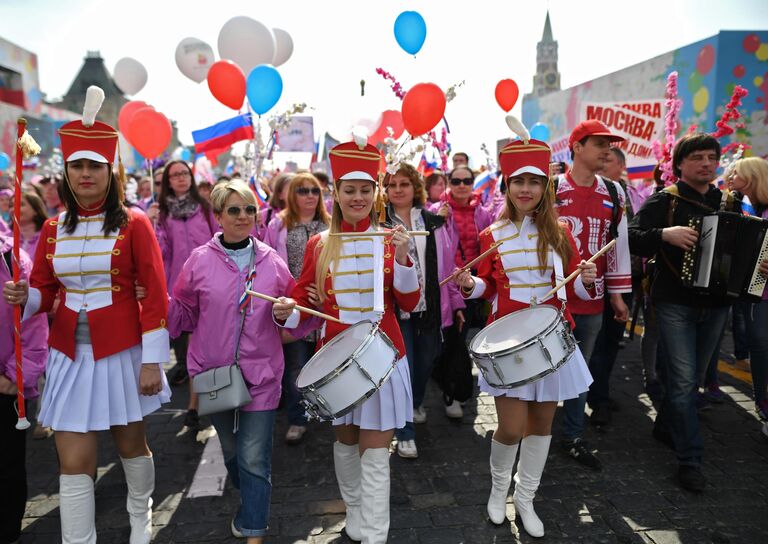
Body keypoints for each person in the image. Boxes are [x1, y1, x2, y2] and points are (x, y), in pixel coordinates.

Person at [2, 93, 171, 543]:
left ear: (109, 172)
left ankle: (142, 516)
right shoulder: (54, 228)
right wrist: (26, 297)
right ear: (67, 174)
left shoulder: (135, 223)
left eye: (94, 166)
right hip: (68, 354)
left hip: (123, 351)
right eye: (77, 167)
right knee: (73, 463)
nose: (85, 174)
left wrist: (153, 360)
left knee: (131, 445)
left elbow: (155, 294)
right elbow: (45, 289)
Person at [272, 140, 420, 543]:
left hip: (384, 356)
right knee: (345, 442)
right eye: (349, 190)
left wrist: (406, 259)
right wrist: (287, 309)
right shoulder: (321, 244)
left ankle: (375, 533)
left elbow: (409, 302)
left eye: (365, 189)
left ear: (376, 193)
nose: (357, 197)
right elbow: (303, 301)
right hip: (335, 360)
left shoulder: (393, 239)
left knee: (374, 454)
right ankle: (354, 512)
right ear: (336, 194)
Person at [453, 137, 597, 537]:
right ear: (507, 185)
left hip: (551, 336)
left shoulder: (561, 232)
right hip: (508, 341)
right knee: (511, 427)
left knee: (541, 425)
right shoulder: (492, 233)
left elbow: (577, 290)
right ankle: (499, 491)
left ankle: (527, 497)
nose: (526, 190)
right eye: (518, 181)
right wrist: (469, 286)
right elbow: (490, 288)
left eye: (534, 182)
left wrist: (586, 279)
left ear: (544, 188)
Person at [169, 180, 307, 543]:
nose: (243, 216)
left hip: (261, 374)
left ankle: (253, 529)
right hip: (213, 375)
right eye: (234, 210)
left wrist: (285, 312)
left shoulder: (272, 262)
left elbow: (294, 314)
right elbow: (182, 309)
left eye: (249, 209)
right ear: (218, 217)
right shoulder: (198, 260)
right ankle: (249, 502)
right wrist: (151, 303)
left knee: (253, 458)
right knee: (232, 453)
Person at [629, 132, 739, 493]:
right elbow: (631, 236)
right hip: (674, 301)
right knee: (681, 380)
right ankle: (690, 459)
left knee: (692, 381)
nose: (706, 164)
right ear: (679, 164)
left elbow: (741, 247)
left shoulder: (729, 202)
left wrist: (758, 266)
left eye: (711, 157)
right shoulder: (665, 200)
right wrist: (665, 234)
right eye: (697, 158)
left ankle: (664, 426)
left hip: (718, 304)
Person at [554, 120, 632, 469]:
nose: (606, 150)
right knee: (543, 370)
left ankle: (571, 435)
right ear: (576, 147)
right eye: (600, 143)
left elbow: (618, 246)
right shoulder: (549, 190)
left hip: (592, 301)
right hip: (550, 303)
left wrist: (617, 294)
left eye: (609, 144)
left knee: (580, 371)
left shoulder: (614, 193)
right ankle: (531, 433)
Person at [383, 162, 464, 459]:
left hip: (430, 306)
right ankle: (404, 431)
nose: (398, 190)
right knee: (405, 368)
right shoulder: (380, 223)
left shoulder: (434, 221)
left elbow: (448, 263)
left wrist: (454, 302)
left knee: (426, 363)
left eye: (404, 184)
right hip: (397, 310)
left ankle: (415, 403)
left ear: (415, 187)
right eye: (392, 185)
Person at [148, 159, 217, 430]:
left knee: (209, 343)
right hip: (180, 288)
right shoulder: (162, 212)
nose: (180, 179)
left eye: (184, 174)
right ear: (167, 181)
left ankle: (199, 403)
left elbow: (218, 238)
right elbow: (159, 253)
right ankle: (195, 404)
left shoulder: (205, 206)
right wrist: (153, 224)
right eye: (174, 175)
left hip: (210, 282)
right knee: (191, 348)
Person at [264, 173, 330, 444]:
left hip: (325, 308)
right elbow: (267, 265)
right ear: (293, 195)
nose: (310, 195)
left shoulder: (330, 224)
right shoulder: (278, 224)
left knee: (327, 364)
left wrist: (325, 292)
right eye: (303, 190)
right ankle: (297, 418)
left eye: (315, 190)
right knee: (296, 367)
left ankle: (329, 411)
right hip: (293, 308)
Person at [433, 165, 494, 418]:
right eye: (456, 181)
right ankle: (453, 393)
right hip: (451, 285)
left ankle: (466, 387)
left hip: (480, 284)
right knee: (456, 342)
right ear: (449, 183)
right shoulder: (438, 211)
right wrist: (439, 219)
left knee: (480, 340)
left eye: (466, 180)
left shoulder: (483, 212)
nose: (461, 185)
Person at [0, 233, 48, 544]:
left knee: (6, 469)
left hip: (4, 385)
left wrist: (15, 376)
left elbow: (33, 326)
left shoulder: (13, 260)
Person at [587, 146, 638, 426]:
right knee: (588, 342)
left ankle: (599, 395)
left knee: (608, 343)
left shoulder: (627, 194)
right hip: (588, 281)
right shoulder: (574, 190)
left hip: (621, 279)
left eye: (607, 159)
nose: (600, 161)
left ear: (619, 165)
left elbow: (631, 237)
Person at [726, 157, 768, 420]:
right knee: (760, 345)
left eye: (735, 173)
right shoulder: (742, 207)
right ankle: (762, 399)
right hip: (757, 292)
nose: (730, 177)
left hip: (761, 290)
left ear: (750, 177)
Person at [17, 191, 48, 258]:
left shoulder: (48, 236)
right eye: (11, 205)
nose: (14, 208)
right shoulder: (6, 238)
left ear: (36, 210)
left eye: (21, 204)